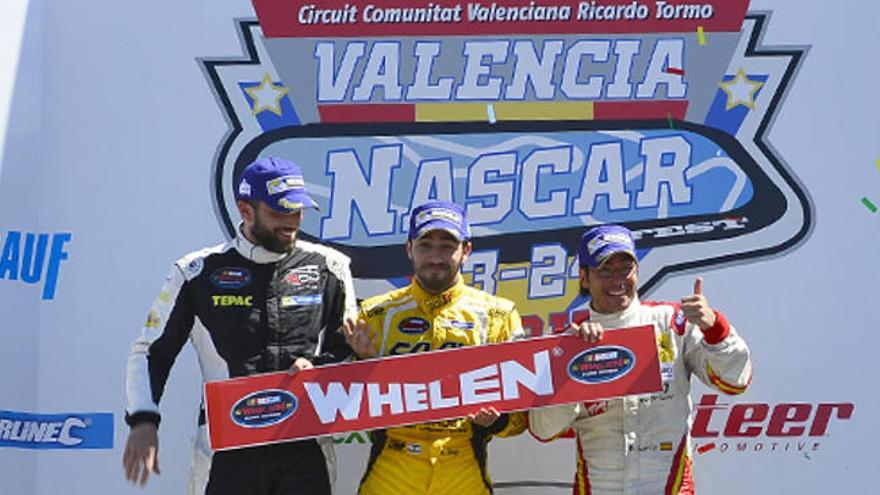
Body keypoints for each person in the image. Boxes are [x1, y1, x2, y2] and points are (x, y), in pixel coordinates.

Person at [122, 156, 356, 495]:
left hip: (306, 447)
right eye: (279, 212)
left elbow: (346, 349)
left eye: (297, 211)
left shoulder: (330, 266)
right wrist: (143, 418)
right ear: (246, 210)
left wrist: (319, 368)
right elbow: (151, 352)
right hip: (226, 450)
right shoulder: (195, 272)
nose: (291, 222)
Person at [528, 224, 752, 495]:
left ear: (637, 271)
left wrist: (715, 329)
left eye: (625, 268)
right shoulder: (566, 343)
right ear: (584, 277)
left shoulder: (673, 322)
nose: (617, 279)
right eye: (604, 270)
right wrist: (574, 367)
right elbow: (543, 429)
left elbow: (735, 382)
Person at [343, 200, 527, 495]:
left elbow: (519, 418)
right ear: (409, 248)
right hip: (391, 469)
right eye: (426, 245)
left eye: (447, 246)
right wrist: (364, 366)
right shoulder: (374, 314)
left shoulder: (499, 315)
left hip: (464, 469)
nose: (435, 257)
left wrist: (497, 420)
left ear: (466, 250)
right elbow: (343, 408)